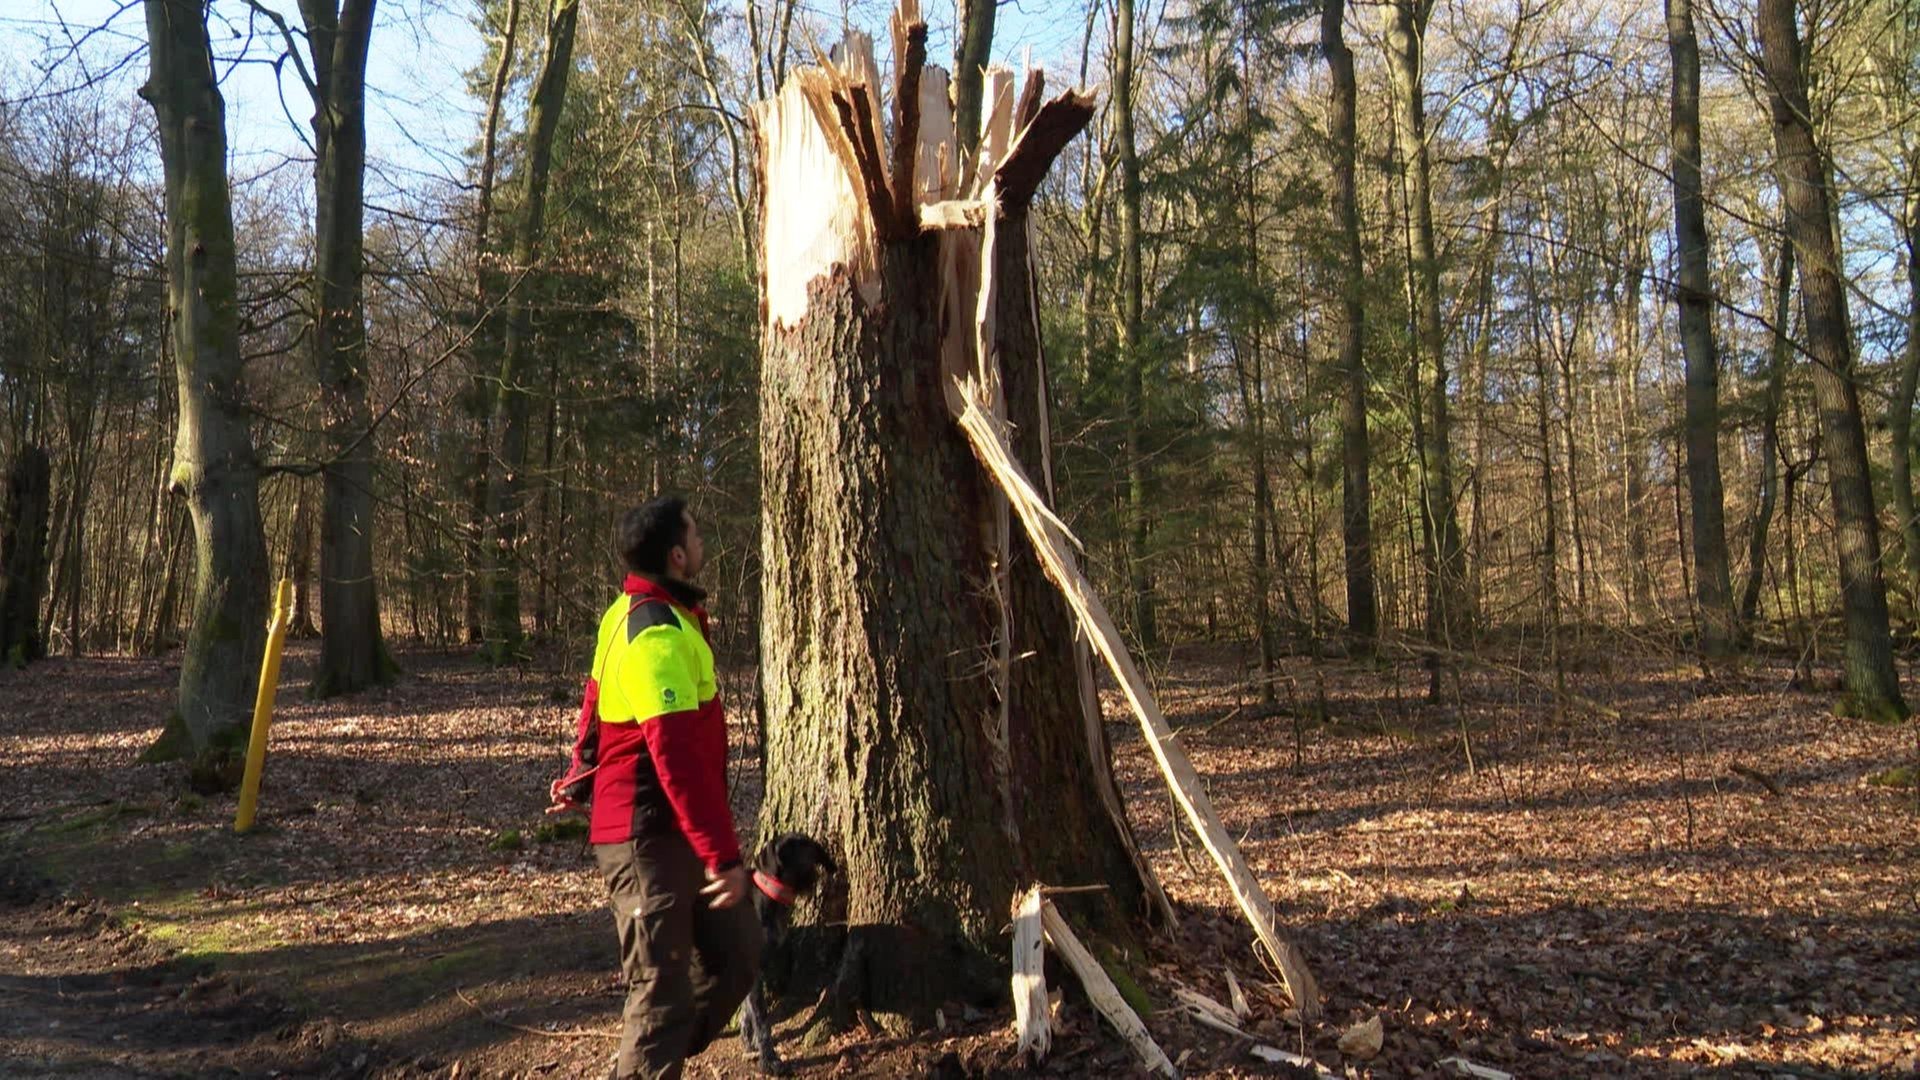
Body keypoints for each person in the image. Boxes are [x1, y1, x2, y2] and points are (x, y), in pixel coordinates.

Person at [549, 496, 760, 1080]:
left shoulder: (655, 614)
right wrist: (723, 857)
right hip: (646, 838)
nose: (701, 545)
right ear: (675, 555)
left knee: (738, 955)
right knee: (659, 994)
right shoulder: (648, 630)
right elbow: (677, 759)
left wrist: (578, 770)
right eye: (694, 536)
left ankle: (654, 1055)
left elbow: (594, 705)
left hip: (682, 831)